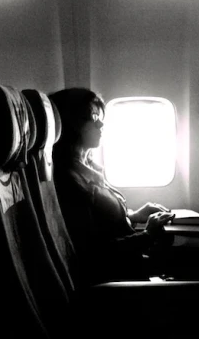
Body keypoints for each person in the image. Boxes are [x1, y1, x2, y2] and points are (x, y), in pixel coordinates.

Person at [49, 88, 174, 281]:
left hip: (131, 265)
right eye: (93, 116)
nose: (101, 123)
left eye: (100, 115)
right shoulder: (69, 182)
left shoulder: (88, 168)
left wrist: (133, 215)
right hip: (117, 280)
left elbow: (103, 224)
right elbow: (94, 254)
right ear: (72, 123)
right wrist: (148, 235)